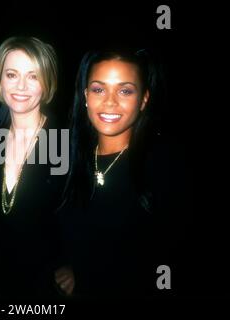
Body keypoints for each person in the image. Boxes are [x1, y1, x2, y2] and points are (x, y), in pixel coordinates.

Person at [0, 36, 74, 297]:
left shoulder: (67, 144)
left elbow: (86, 219)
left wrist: (74, 266)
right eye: (12, 74)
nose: (21, 86)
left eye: (33, 76)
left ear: (48, 82)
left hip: (44, 288)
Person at [60, 48, 177, 297]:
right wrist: (68, 265)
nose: (110, 101)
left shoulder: (165, 166)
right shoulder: (68, 158)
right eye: (99, 89)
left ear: (144, 99)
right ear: (85, 96)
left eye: (125, 90)